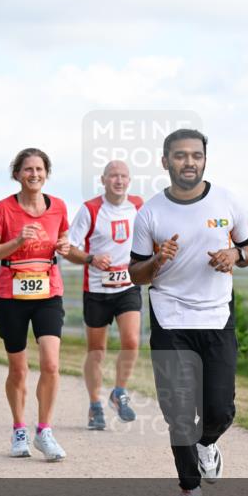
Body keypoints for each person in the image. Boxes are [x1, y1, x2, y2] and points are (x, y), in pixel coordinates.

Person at [129, 129, 248, 496]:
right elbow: (136, 274)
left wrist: (235, 255)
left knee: (220, 410)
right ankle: (189, 487)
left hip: (217, 316)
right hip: (170, 318)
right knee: (179, 410)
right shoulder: (150, 212)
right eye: (180, 156)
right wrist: (157, 261)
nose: (189, 162)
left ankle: (207, 442)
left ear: (205, 159)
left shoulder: (228, 201)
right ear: (165, 161)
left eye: (196, 155)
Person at [0, 148, 71, 461]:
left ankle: (44, 431)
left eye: (39, 169)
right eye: (28, 169)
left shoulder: (58, 206)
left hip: (48, 292)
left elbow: (65, 242)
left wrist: (66, 246)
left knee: (51, 364)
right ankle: (19, 429)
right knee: (18, 370)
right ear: (17, 174)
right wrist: (17, 241)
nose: (34, 174)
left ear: (46, 173)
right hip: (11, 296)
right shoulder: (3, 210)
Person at [65, 160, 143, 430]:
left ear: (129, 180)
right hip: (97, 290)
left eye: (123, 176)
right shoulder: (90, 209)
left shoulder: (139, 205)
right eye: (113, 176)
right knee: (97, 351)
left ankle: (119, 392)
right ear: (103, 179)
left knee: (131, 341)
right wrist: (91, 258)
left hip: (128, 286)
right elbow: (68, 248)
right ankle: (95, 405)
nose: (118, 181)